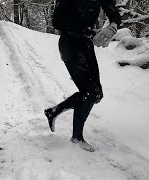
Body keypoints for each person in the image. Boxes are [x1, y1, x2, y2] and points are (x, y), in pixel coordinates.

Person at [44, 0, 121, 152]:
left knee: (96, 94)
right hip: (69, 44)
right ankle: (77, 137)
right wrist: (91, 32)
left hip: (86, 45)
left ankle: (53, 111)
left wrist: (112, 28)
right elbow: (57, 22)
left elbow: (113, 12)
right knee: (91, 92)